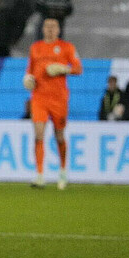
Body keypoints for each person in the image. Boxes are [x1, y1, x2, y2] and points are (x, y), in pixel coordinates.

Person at [23, 17, 82, 189]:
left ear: (58, 30)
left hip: (59, 99)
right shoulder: (35, 48)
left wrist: (64, 69)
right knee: (38, 134)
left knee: (59, 136)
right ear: (42, 29)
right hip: (39, 98)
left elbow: (78, 68)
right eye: (47, 26)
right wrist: (27, 79)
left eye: (53, 26)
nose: (50, 29)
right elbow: (30, 71)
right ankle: (40, 175)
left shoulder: (67, 47)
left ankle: (63, 171)